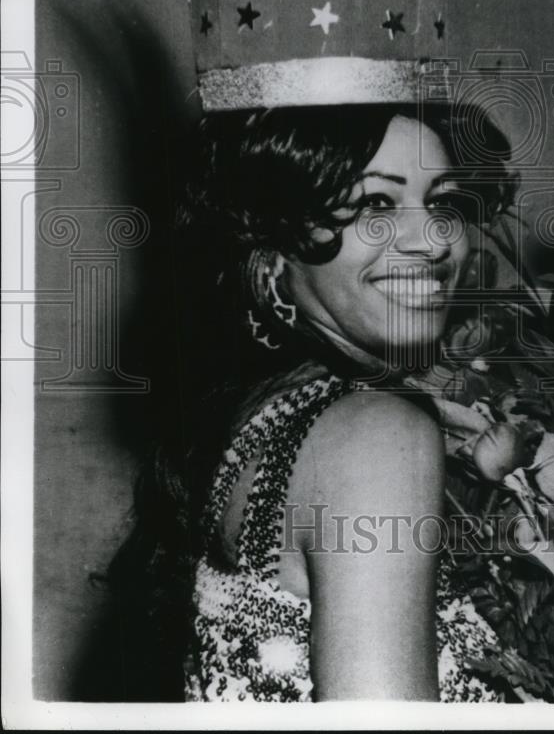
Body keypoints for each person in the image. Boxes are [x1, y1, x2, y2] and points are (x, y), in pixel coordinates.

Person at [109, 100, 516, 703]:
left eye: (443, 203)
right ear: (273, 250)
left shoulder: (260, 420)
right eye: (375, 203)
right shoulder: (377, 433)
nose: (432, 242)